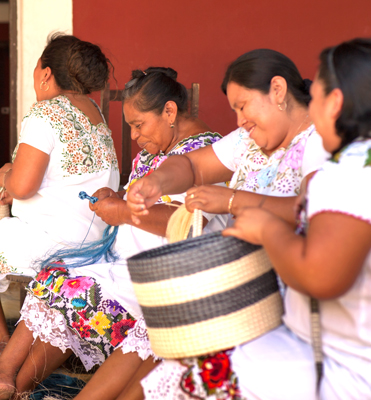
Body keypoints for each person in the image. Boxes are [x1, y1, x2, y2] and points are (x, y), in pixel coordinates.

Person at [0, 67, 225, 400]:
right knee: (55, 277)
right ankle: (4, 379)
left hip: (164, 275)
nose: (134, 137)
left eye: (138, 125)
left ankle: (8, 384)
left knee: (72, 289)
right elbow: (146, 198)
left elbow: (192, 222)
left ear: (170, 112)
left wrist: (123, 211)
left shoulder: (207, 153)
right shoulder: (159, 150)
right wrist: (115, 197)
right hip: (127, 264)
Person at [127, 49, 330, 399]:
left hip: (285, 294)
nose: (238, 121)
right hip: (235, 283)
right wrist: (157, 182)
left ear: (278, 91)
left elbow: (315, 210)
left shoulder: (318, 141)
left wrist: (233, 201)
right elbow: (193, 167)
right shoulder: (249, 141)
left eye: (242, 106)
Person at [0, 34, 120, 368]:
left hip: (58, 242)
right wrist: (17, 178)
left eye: (35, 70)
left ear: (45, 74)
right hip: (95, 237)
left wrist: (6, 177)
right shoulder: (94, 111)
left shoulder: (45, 113)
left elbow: (24, 186)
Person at [220, 38, 371, 400]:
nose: (311, 109)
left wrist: (267, 228)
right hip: (338, 350)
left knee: (203, 373)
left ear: (334, 103)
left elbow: (321, 277)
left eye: (315, 96)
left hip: (343, 367)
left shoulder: (350, 173)